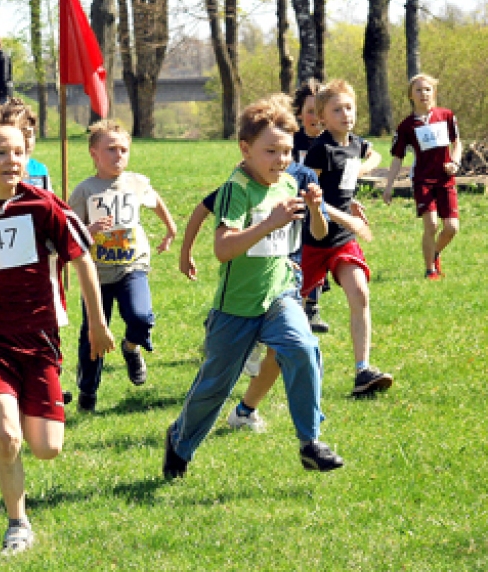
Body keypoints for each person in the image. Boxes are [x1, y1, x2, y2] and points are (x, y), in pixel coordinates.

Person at [0, 109, 114, 554]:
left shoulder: (44, 205)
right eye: (0, 152)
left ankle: (9, 396)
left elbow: (84, 259)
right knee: (7, 435)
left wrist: (97, 324)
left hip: (40, 338)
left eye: (19, 151)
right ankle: (17, 524)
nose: (13, 159)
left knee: (47, 448)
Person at [163, 94, 342, 479]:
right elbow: (224, 249)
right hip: (237, 307)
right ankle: (179, 441)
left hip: (280, 294)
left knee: (303, 347)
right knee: (214, 387)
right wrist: (268, 224)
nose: (281, 160)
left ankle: (310, 442)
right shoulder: (236, 189)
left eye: (287, 152)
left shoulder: (291, 182)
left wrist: (314, 209)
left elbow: (318, 234)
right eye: (271, 151)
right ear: (245, 149)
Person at [67, 120, 177, 412]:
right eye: (111, 149)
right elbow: (68, 232)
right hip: (97, 274)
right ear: (94, 153)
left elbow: (155, 202)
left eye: (123, 150)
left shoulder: (136, 182)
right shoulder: (85, 190)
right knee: (93, 335)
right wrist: (89, 230)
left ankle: (131, 347)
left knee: (141, 317)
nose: (118, 156)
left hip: (132, 266)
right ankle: (88, 391)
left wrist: (170, 228)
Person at [301, 79, 392, 397]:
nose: (345, 114)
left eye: (349, 107)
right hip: (313, 240)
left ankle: (362, 370)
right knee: (284, 311)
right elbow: (311, 198)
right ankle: (248, 350)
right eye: (336, 109)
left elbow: (375, 156)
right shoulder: (319, 150)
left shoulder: (355, 144)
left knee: (360, 294)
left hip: (342, 241)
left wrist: (356, 179)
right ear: (323, 117)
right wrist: (348, 216)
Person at [383, 73, 461, 280]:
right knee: (432, 225)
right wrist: (388, 186)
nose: (423, 93)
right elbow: (397, 158)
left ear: (434, 92)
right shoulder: (406, 126)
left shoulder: (446, 116)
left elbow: (457, 143)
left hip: (445, 180)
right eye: (418, 90)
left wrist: (454, 162)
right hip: (422, 180)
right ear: (411, 95)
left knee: (452, 227)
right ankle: (430, 270)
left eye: (427, 89)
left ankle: (435, 252)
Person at [291, 78, 330, 333]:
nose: (315, 117)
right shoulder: (290, 140)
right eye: (310, 111)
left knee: (319, 249)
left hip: (323, 204)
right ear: (299, 114)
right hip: (293, 204)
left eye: (319, 111)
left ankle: (312, 308)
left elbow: (370, 154)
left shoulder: (332, 141)